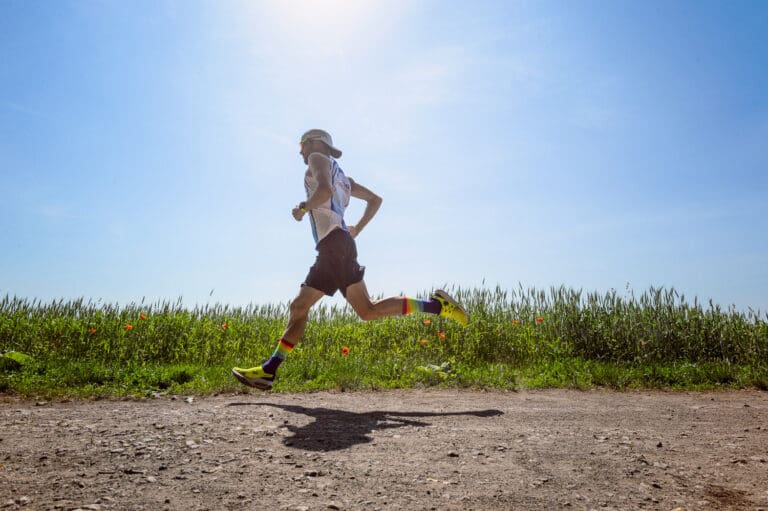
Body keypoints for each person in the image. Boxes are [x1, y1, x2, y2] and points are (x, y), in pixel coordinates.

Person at [232, 129, 468, 390]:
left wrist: (302, 208)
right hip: (342, 243)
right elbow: (375, 200)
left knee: (299, 306)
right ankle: (437, 306)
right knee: (367, 311)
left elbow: (322, 192)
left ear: (313, 143)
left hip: (334, 246)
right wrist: (356, 228)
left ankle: (269, 370)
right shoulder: (345, 178)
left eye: (301, 145)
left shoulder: (317, 158)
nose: (300, 151)